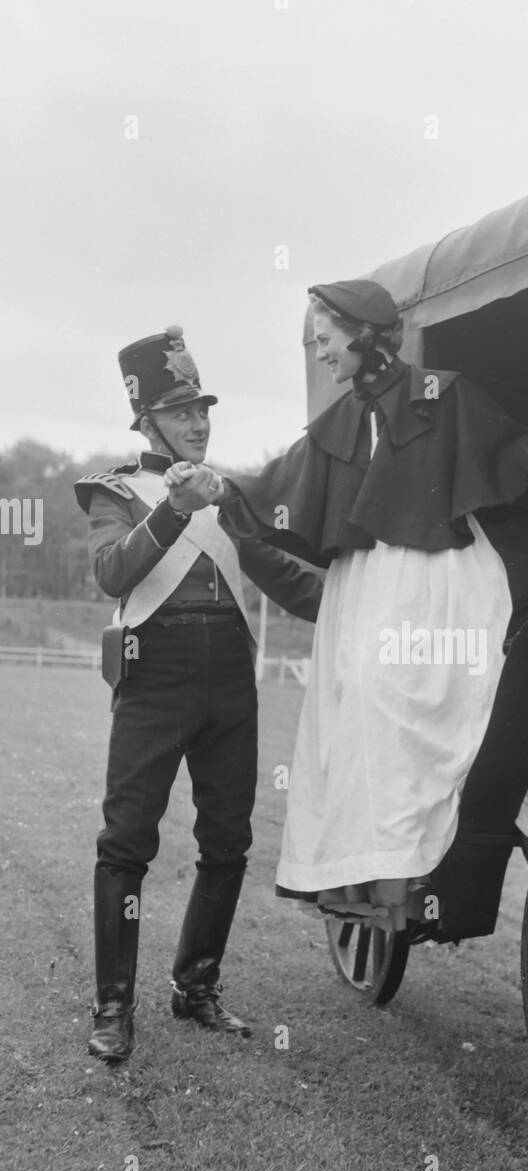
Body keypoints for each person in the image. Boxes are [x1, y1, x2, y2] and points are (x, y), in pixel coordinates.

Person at [165, 282, 528, 932]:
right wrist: (215, 485)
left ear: (362, 333)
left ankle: (484, 831)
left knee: (429, 701)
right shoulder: (339, 423)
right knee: (361, 716)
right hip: (364, 590)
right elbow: (277, 482)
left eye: (326, 339)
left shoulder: (440, 396)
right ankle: (385, 881)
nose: (321, 352)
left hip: (441, 575)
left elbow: (503, 440)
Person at [74, 326, 322, 1062]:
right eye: (182, 413)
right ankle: (114, 1004)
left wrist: (347, 600)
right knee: (126, 841)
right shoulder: (115, 491)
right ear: (146, 420)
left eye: (203, 410)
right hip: (154, 674)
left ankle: (197, 986)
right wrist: (175, 508)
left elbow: (279, 571)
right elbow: (114, 573)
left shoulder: (225, 495)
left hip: (228, 680)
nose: (199, 423)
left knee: (229, 839)